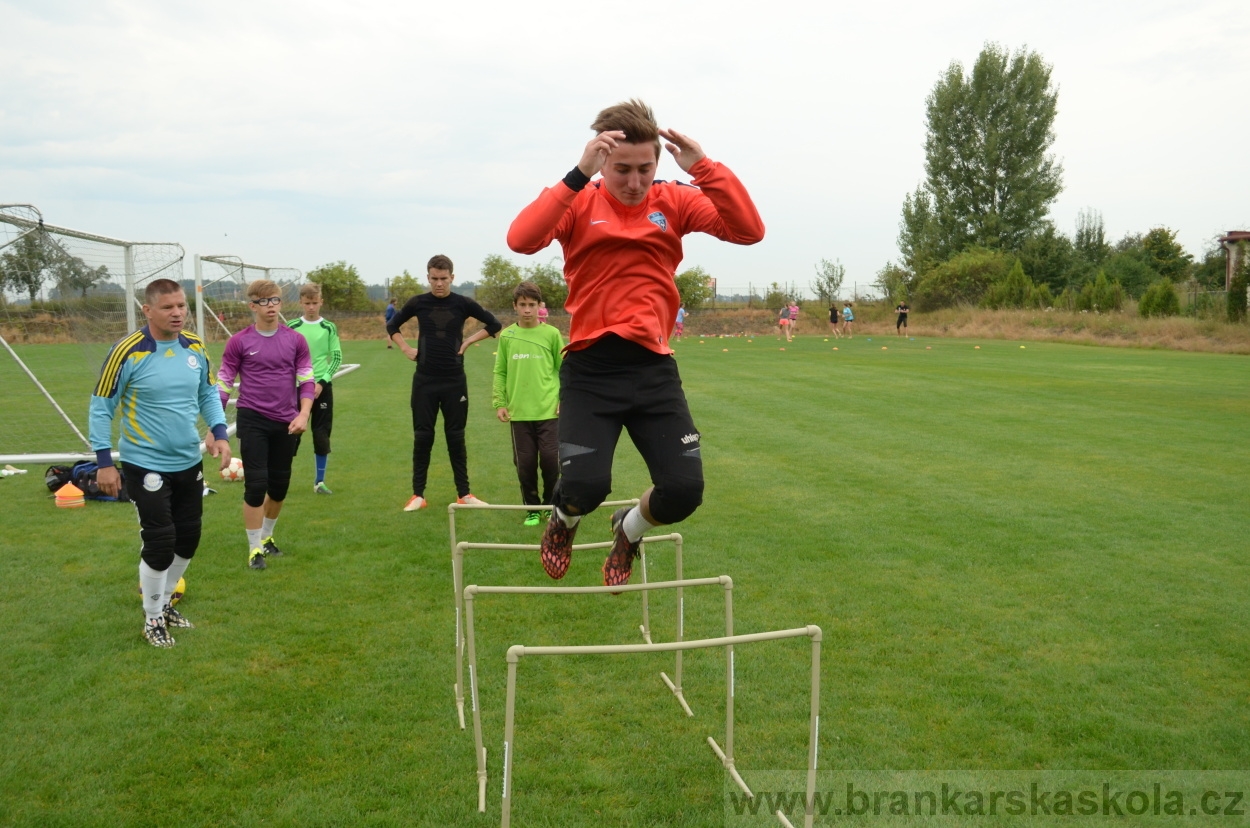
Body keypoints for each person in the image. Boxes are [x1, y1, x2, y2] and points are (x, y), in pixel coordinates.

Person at [507, 98, 764, 587]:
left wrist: (704, 168)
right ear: (602, 162)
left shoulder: (674, 200)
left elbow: (749, 231)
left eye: (645, 169)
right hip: (591, 370)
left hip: (653, 370)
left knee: (684, 491)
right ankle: (562, 523)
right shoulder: (579, 199)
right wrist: (578, 174)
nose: (634, 182)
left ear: (657, 163)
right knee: (584, 486)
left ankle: (628, 530)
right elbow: (521, 240)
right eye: (622, 169)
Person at [89, 278, 231, 648]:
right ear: (148, 310)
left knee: (189, 538)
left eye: (182, 305)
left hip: (188, 461)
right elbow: (101, 406)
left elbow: (208, 393)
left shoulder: (195, 347)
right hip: (144, 463)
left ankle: (165, 604)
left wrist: (219, 432)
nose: (178, 313)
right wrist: (104, 462)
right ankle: (152, 619)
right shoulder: (127, 351)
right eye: (168, 307)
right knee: (160, 541)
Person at [387, 255, 502, 511]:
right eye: (434, 278)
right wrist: (405, 347)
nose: (439, 283)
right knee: (423, 437)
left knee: (456, 437)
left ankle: (464, 494)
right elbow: (392, 325)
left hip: (454, 381)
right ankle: (418, 495)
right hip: (424, 382)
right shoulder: (418, 302)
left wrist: (469, 340)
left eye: (443, 278)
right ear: (428, 278)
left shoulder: (463, 303)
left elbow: (495, 323)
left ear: (452, 277)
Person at [218, 280, 314, 570]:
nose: (270, 306)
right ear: (253, 306)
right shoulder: (239, 341)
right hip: (252, 419)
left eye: (275, 300)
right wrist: (215, 424)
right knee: (256, 484)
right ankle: (254, 549)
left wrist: (303, 414)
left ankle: (267, 537)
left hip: (287, 421)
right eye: (264, 301)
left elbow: (306, 380)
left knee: (280, 486)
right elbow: (224, 382)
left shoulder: (296, 340)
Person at [492, 281, 563, 526]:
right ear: (515, 306)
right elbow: (500, 371)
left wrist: (563, 399)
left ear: (539, 306)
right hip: (519, 412)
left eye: (532, 304)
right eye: (522, 304)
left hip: (549, 410)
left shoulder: (551, 334)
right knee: (525, 464)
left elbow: (565, 369)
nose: (527, 309)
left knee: (551, 462)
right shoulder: (507, 336)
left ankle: (551, 506)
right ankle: (532, 509)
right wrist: (500, 402)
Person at [289, 283, 343, 494]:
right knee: (291, 433)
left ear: (321, 302)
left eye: (314, 303)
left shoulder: (329, 327)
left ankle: (319, 482)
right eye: (307, 303)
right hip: (296, 388)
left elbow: (336, 357)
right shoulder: (292, 326)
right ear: (301, 303)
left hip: (322, 388)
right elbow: (285, 356)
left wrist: (321, 382)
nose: (311, 307)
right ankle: (281, 477)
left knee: (321, 434)